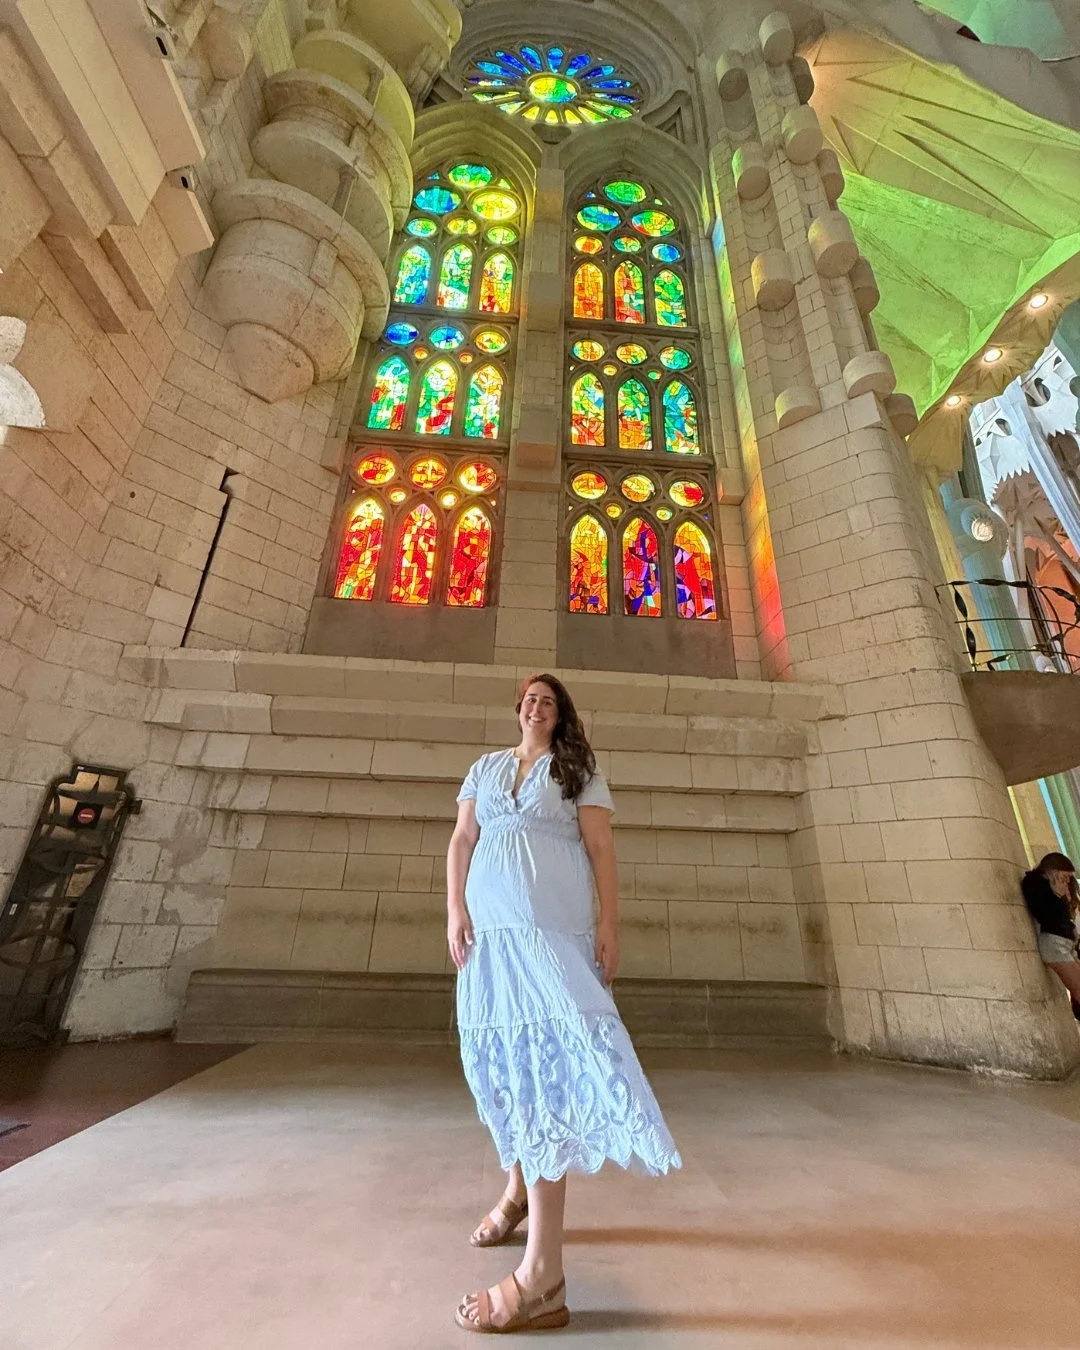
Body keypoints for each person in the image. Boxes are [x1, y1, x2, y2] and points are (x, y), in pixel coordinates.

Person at [447, 674, 681, 1334]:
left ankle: (543, 1275)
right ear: (517, 709)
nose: (536, 706)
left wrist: (611, 925)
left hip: (552, 935)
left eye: (548, 700)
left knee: (547, 1070)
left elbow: (601, 847)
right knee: (510, 1065)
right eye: (529, 697)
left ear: (559, 715)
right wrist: (453, 909)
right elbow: (463, 841)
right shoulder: (486, 768)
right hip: (492, 941)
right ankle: (519, 1191)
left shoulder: (575, 768)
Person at [1021, 851, 1080, 1019]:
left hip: (1063, 943)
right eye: (1065, 877)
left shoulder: (1045, 886)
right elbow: (1047, 914)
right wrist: (1057, 893)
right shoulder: (1036, 884)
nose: (1068, 882)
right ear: (1054, 871)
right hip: (1055, 944)